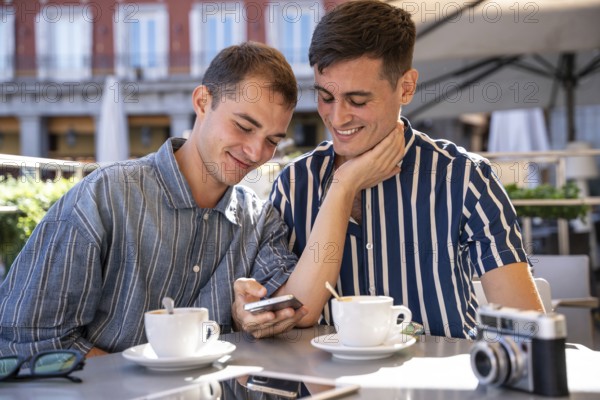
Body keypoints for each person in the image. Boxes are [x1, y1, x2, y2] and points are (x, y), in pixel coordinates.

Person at [0, 42, 305, 358]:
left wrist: (250, 316)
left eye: (272, 140)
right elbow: (28, 336)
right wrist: (141, 380)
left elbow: (293, 302)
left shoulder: (261, 220)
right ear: (203, 102)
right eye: (243, 126)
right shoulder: (104, 196)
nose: (256, 153)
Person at [266, 0, 544, 338]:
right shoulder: (294, 185)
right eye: (325, 97)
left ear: (406, 87)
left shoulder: (464, 178)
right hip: (326, 388)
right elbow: (281, 318)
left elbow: (523, 327)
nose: (336, 118)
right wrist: (344, 183)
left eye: (358, 101)